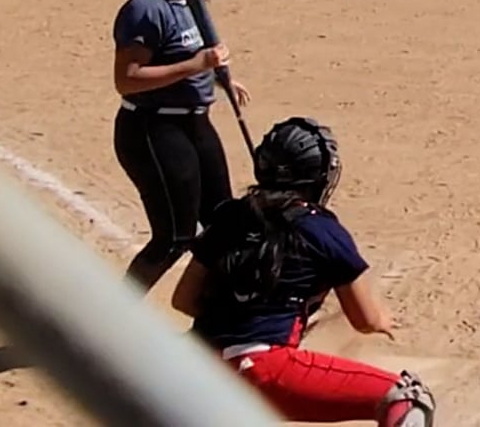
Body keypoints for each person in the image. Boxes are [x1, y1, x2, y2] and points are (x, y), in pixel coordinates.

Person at [173, 117, 437, 426]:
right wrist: (382, 320)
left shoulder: (229, 215)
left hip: (189, 367)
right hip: (261, 370)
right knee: (406, 399)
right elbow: (365, 320)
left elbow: (184, 300)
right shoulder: (321, 229)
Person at [112, 0, 248, 289]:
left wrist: (218, 77)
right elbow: (127, 80)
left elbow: (192, 51)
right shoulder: (145, 10)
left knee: (224, 224)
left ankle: (223, 315)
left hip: (195, 123)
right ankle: (112, 314)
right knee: (175, 236)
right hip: (153, 129)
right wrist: (197, 65)